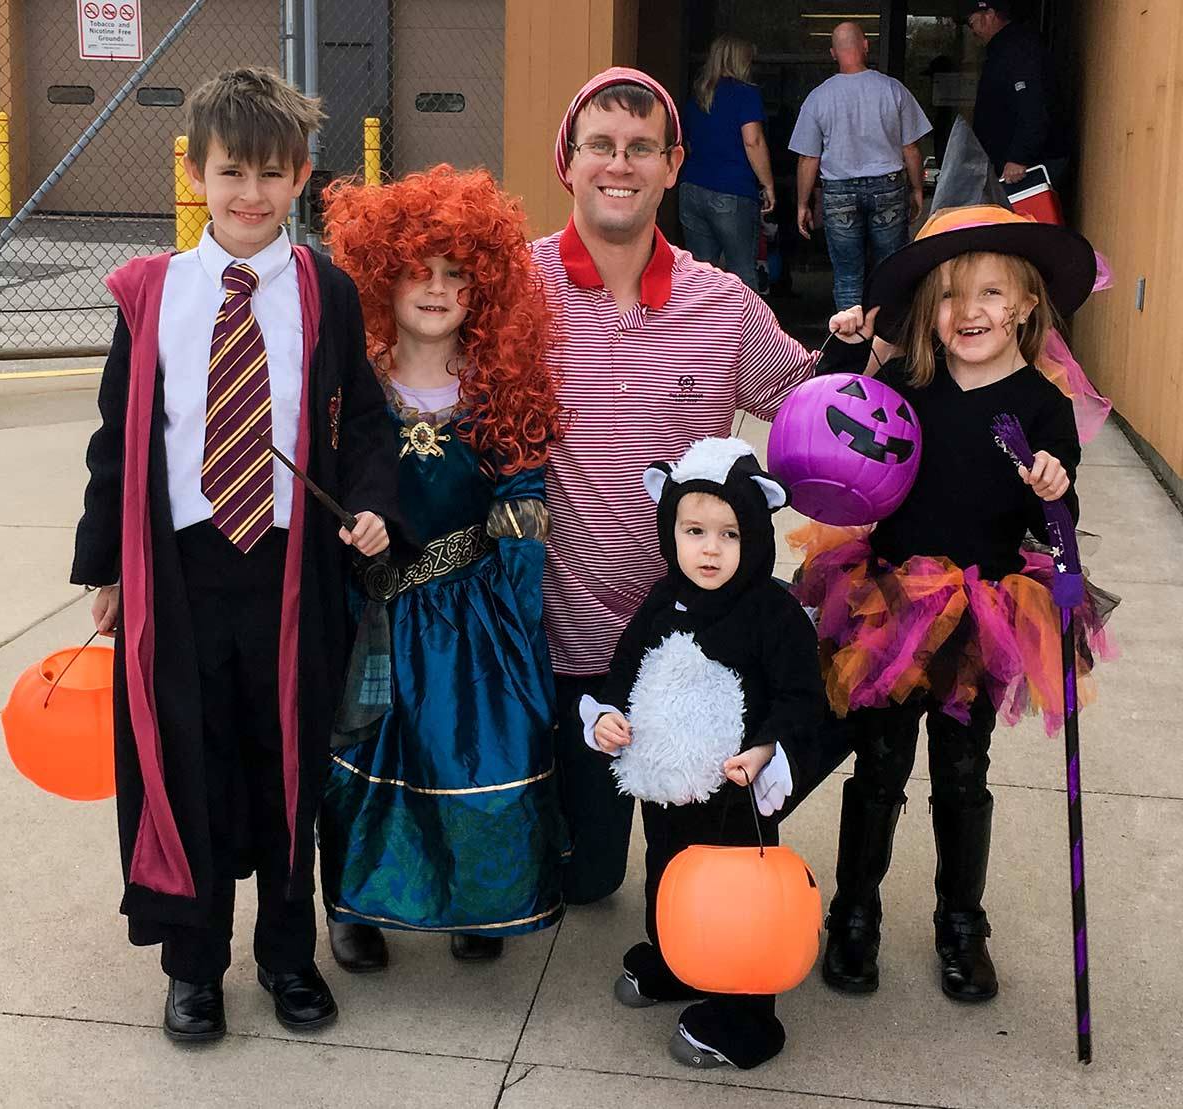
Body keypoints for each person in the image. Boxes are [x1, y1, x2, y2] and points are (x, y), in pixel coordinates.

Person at [70, 67, 403, 1043]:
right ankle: (195, 966)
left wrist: (375, 505)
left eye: (269, 173)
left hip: (293, 574)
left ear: (300, 176)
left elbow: (369, 428)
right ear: (196, 173)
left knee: (288, 768)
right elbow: (114, 440)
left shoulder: (323, 292)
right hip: (180, 576)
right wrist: (107, 567)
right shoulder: (151, 295)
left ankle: (287, 953)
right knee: (188, 767)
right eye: (230, 172)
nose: (249, 193)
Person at [789, 205, 1116, 1003]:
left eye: (992, 293)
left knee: (963, 775)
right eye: (951, 296)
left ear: (1027, 305)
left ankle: (961, 925)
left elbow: (1055, 516)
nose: (970, 312)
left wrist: (1052, 484)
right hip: (893, 604)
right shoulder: (906, 383)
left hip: (983, 614)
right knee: (879, 766)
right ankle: (854, 914)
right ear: (928, 310)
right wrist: (842, 347)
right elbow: (834, 416)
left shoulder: (1041, 408)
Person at [534, 67, 823, 907]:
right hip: (565, 637)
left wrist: (877, 347)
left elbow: (806, 400)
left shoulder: (723, 304)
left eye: (640, 148)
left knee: (694, 854)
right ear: (569, 161)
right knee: (584, 880)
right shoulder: (515, 287)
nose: (618, 165)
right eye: (600, 146)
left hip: (692, 644)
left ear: (673, 164)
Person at [316, 166, 566, 969]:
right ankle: (356, 904)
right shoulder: (355, 389)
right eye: (418, 272)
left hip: (473, 614)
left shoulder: (497, 389)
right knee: (366, 760)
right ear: (380, 278)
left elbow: (524, 491)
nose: (436, 289)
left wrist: (519, 606)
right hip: (376, 610)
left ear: (484, 289)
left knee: (483, 748)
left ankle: (478, 900)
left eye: (457, 275)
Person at [579, 438, 830, 1070]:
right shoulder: (661, 600)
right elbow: (625, 670)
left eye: (730, 533)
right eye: (694, 531)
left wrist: (766, 748)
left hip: (735, 786)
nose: (710, 549)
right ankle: (678, 957)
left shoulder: (772, 613)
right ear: (670, 530)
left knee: (736, 896)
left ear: (756, 535)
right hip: (669, 782)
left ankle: (747, 1018)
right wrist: (607, 715)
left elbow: (802, 696)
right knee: (667, 869)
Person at [789, 22, 931, 310]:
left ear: (832, 53)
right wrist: (917, 189)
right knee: (892, 271)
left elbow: (808, 159)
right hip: (888, 186)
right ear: (865, 45)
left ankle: (851, 347)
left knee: (847, 277)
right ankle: (888, 344)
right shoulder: (893, 90)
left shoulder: (818, 97)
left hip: (839, 190)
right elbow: (911, 149)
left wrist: (803, 203)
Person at [679, 34, 775, 288]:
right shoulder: (745, 94)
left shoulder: (697, 97)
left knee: (699, 277)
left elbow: (688, 145)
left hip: (692, 188)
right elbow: (752, 140)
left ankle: (701, 328)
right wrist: (768, 184)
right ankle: (747, 328)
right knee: (742, 273)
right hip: (732, 190)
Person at [963, 1, 1069, 187]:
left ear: (989, 15)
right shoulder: (1001, 50)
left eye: (972, 23)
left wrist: (1019, 157)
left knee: (1025, 216)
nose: (972, 31)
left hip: (1025, 168)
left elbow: (1033, 103)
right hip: (1010, 166)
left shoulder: (1019, 49)